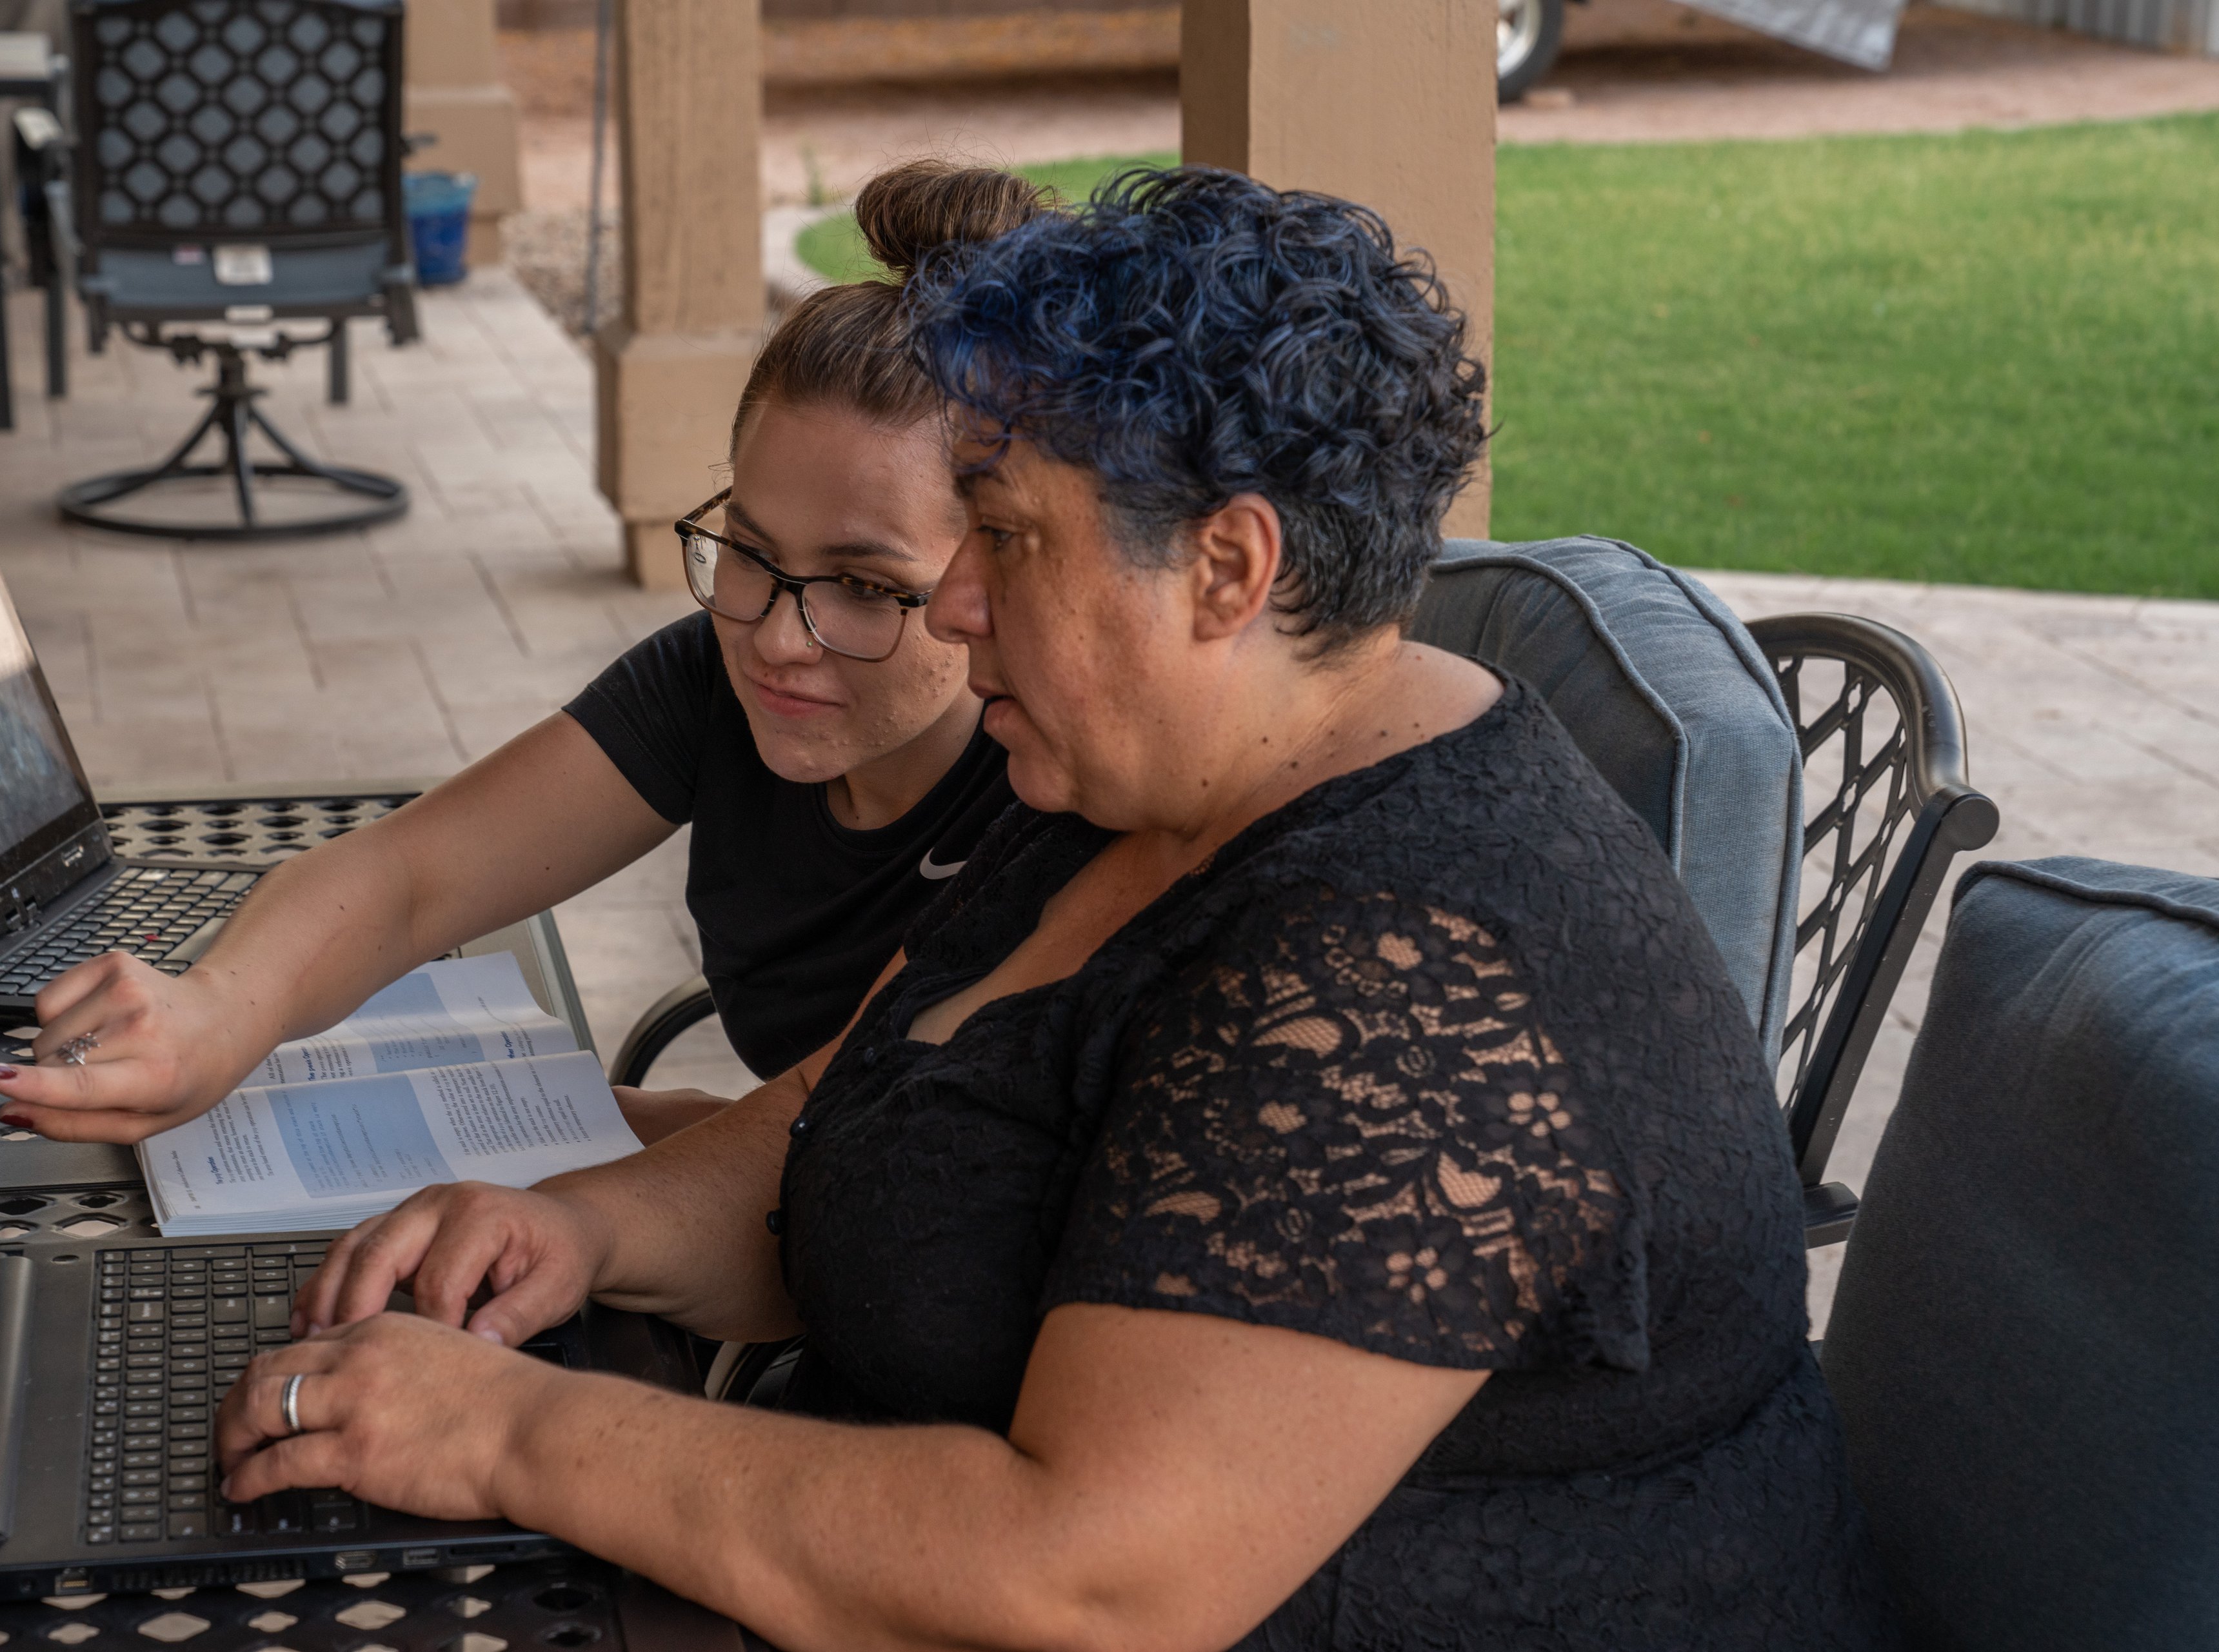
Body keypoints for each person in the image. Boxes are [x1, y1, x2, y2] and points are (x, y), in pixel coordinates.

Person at [214, 168, 1900, 1648]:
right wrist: (591, 1227)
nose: (953, 597)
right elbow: (851, 1125)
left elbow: (1087, 1581)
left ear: (1226, 571)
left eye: (1007, 537)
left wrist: (515, 1438)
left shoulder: (1407, 977)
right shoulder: (1131, 784)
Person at [0, 161, 1042, 1144]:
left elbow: (879, 1157)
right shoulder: (713, 681)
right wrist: (209, 1013)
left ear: (992, 574)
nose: (772, 637)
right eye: (750, 552)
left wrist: (629, 1140)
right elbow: (411, 877)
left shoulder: (1043, 802)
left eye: (861, 587)